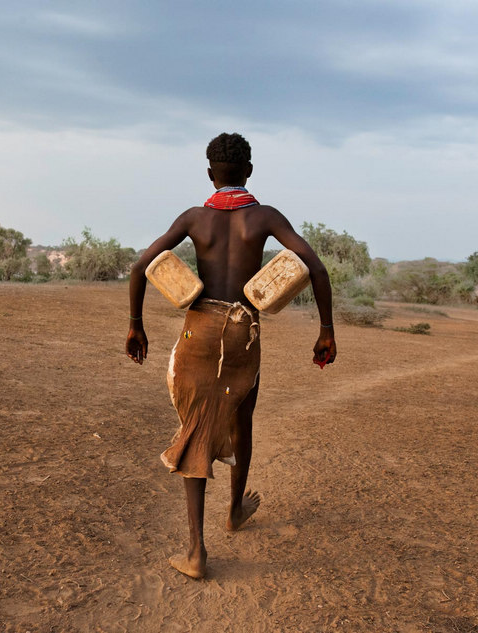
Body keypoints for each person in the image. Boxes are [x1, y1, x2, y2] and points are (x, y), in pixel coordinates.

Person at [125, 132, 337, 579]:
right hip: (243, 335)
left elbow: (141, 266)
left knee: (195, 427)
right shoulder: (264, 218)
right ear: (249, 171)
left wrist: (136, 325)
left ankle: (196, 552)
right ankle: (236, 509)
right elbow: (315, 267)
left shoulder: (194, 219)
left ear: (209, 173)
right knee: (242, 421)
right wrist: (325, 330)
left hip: (199, 332)